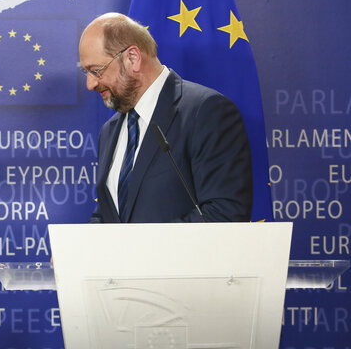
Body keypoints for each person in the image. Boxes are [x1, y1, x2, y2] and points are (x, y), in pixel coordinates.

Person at [80, 12, 252, 223]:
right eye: (85, 72)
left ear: (132, 58)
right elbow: (110, 215)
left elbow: (224, 213)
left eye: (96, 71)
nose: (90, 84)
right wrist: (77, 248)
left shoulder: (205, 112)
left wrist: (145, 250)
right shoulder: (110, 130)